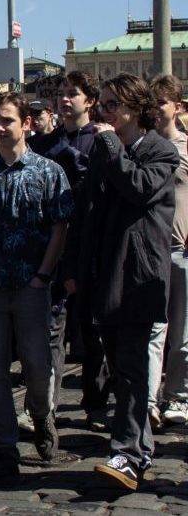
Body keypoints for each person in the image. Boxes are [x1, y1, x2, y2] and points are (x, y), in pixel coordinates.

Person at [64, 73, 178, 491]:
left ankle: (128, 453)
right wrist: (74, 267)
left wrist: (111, 144)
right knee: (118, 366)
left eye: (113, 104)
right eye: (104, 104)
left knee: (131, 368)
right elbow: (86, 210)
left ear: (136, 107)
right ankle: (138, 449)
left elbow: (139, 187)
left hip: (138, 273)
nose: (105, 112)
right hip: (103, 272)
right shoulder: (105, 150)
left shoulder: (160, 150)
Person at [0, 92, 73, 478]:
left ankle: (41, 416)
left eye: (7, 121)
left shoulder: (49, 172)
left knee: (37, 366)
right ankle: (3, 446)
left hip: (31, 286)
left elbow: (59, 228)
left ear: (26, 124)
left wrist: (43, 275)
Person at [31, 71, 110, 432]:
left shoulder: (101, 139)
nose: (65, 99)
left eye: (73, 93)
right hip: (53, 245)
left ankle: (95, 403)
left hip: (90, 245)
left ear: (89, 101)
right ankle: (44, 406)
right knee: (51, 330)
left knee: (92, 330)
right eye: (61, 93)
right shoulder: (45, 143)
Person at [149, 75, 188, 428]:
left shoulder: (186, 147)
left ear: (177, 106)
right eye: (152, 102)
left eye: (162, 102)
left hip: (181, 250)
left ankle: (178, 395)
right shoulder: (142, 145)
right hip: (150, 250)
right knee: (152, 331)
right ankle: (148, 400)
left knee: (182, 334)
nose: (155, 108)